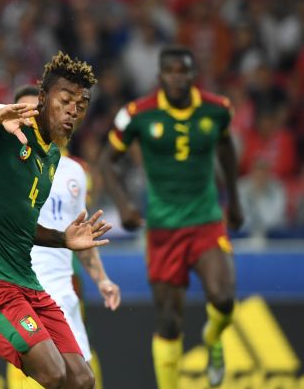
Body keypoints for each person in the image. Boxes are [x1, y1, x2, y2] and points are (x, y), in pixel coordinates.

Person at [0, 52, 109, 389]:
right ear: (42, 97)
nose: (72, 111)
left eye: (80, 106)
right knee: (53, 373)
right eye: (65, 100)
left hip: (26, 281)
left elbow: (22, 227)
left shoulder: (51, 155)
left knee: (82, 379)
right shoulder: (9, 127)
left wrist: (64, 239)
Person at [99, 46, 243, 389]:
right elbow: (107, 161)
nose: (177, 77)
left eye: (184, 71)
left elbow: (226, 149)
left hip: (206, 221)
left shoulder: (217, 109)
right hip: (163, 229)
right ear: (160, 76)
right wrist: (125, 206)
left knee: (223, 299)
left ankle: (213, 337)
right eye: (171, 71)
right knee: (168, 322)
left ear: (193, 75)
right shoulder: (138, 114)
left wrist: (234, 200)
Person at [9, 85, 121, 388]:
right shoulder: (7, 164)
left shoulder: (74, 172)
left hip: (62, 292)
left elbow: (80, 235)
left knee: (83, 379)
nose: (31, 119)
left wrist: (102, 280)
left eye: (36, 111)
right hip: (20, 292)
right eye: (23, 113)